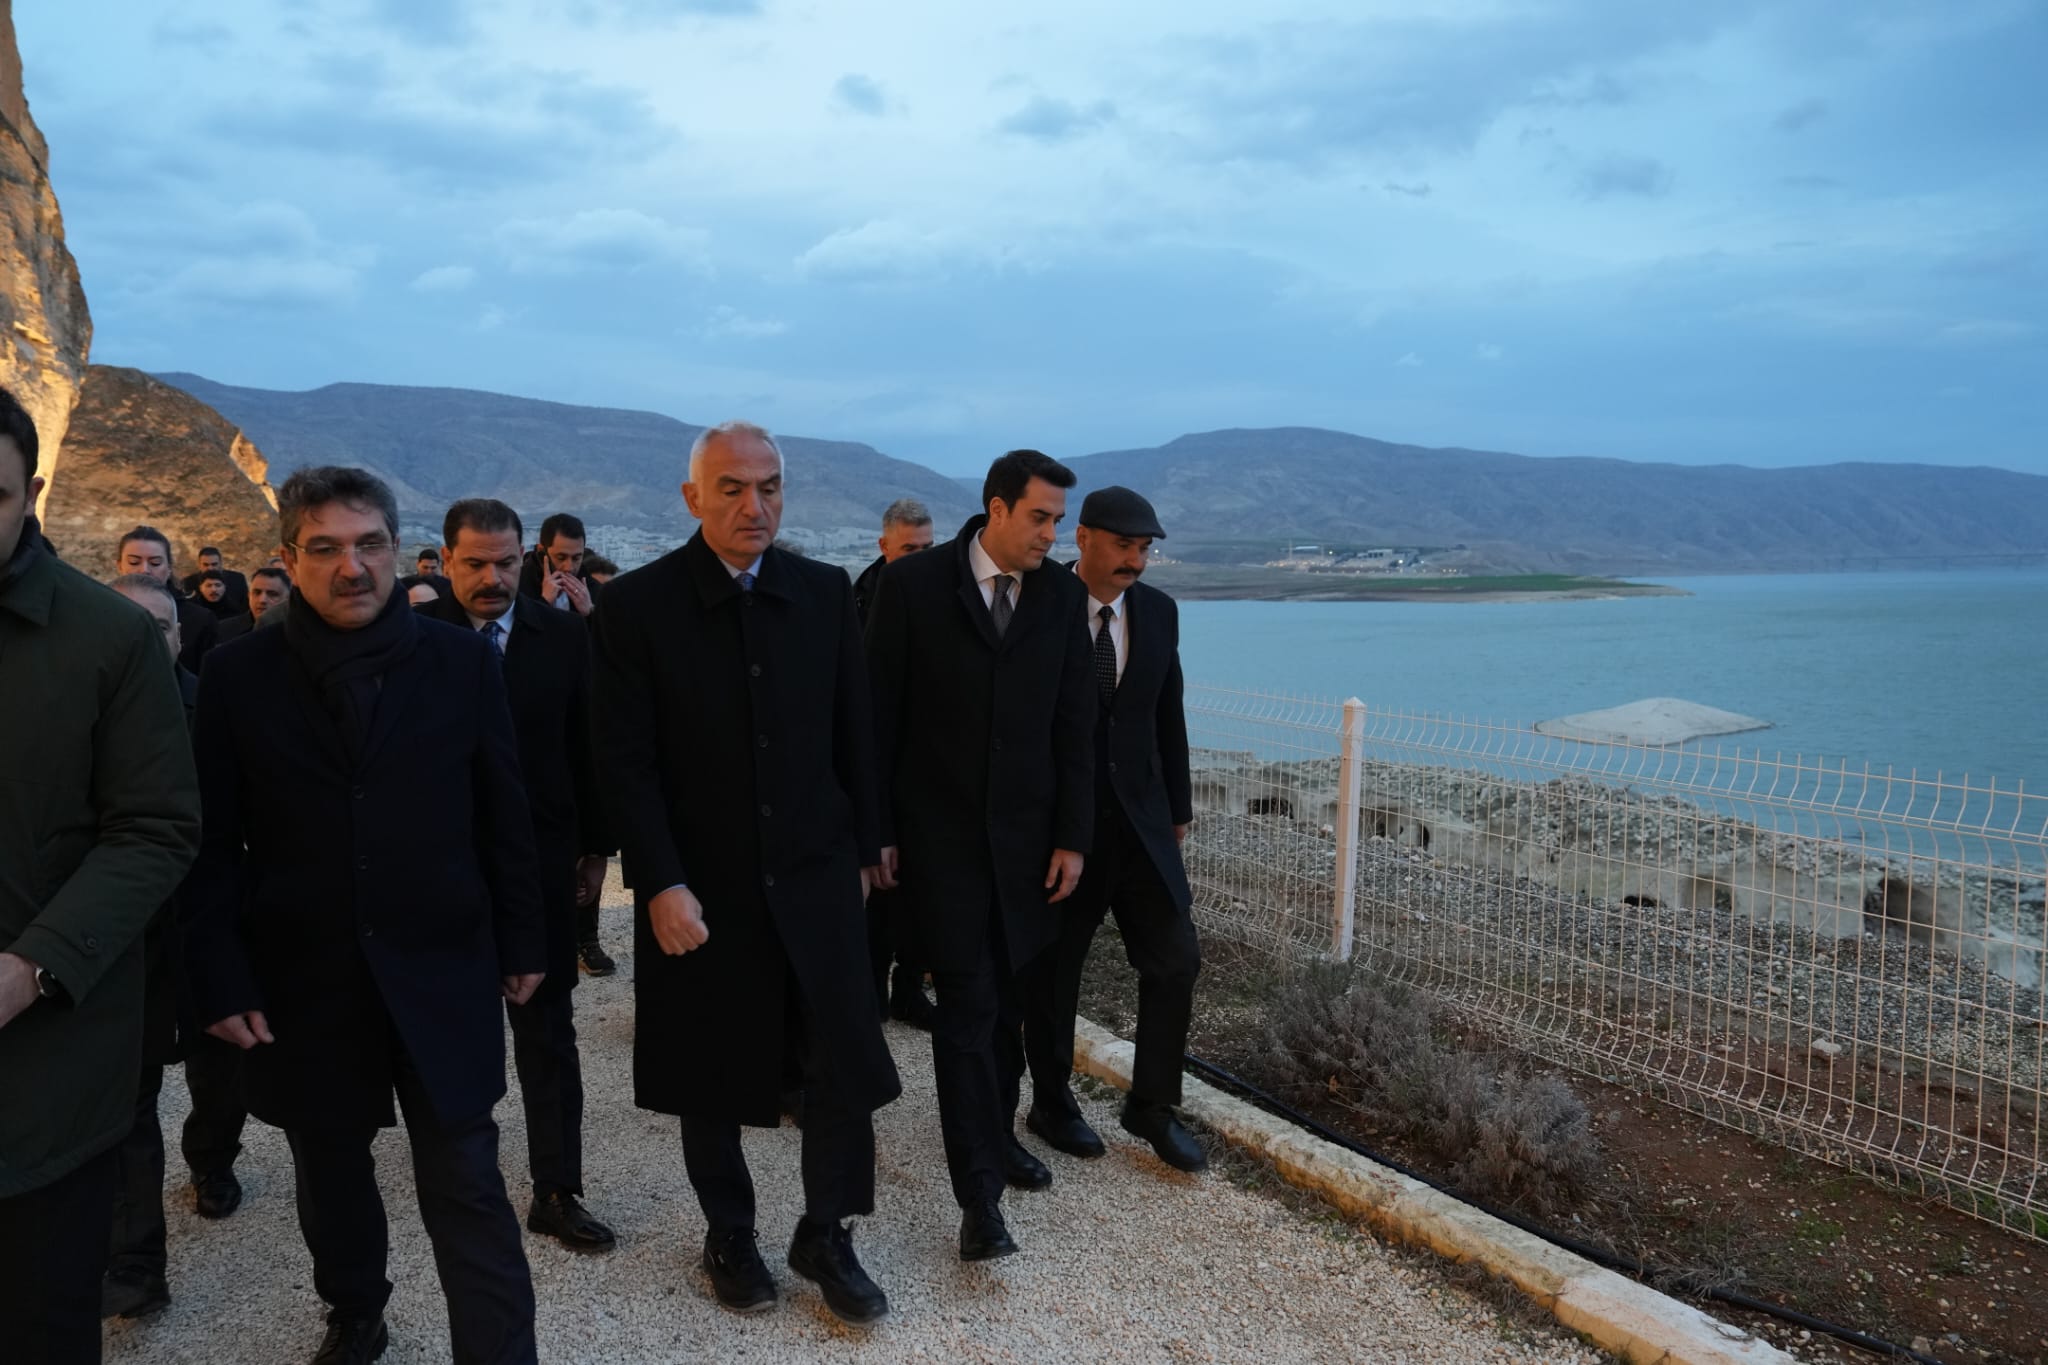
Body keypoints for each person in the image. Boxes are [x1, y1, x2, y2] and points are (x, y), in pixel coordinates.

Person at [182, 466, 548, 1365]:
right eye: (326, 548)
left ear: (395, 545)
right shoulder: (237, 675)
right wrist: (219, 976)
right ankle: (355, 1311)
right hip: (302, 978)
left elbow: (504, 811)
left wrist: (524, 937)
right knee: (331, 1171)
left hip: (442, 965)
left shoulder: (460, 661)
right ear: (289, 557)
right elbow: (211, 842)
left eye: (370, 543)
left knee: (468, 1182)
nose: (353, 566)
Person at [593, 420, 899, 1324]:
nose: (753, 505)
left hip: (816, 869)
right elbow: (623, 762)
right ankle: (729, 1231)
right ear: (693, 497)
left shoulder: (824, 591)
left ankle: (827, 1231)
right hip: (702, 881)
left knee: (842, 1057)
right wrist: (659, 880)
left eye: (769, 487)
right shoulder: (636, 607)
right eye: (731, 488)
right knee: (710, 1063)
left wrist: (868, 847)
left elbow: (855, 729)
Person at [0, 386, 202, 1364]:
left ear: (32, 494)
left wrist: (31, 966)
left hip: (44, 1064)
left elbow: (157, 828)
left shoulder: (109, 640)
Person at [864, 448, 1095, 1261]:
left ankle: (996, 1137)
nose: (1050, 533)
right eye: (1039, 517)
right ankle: (980, 1200)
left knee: (1009, 1012)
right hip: (941, 846)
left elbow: (1076, 725)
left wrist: (1073, 836)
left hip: (1031, 852)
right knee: (966, 1010)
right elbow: (876, 717)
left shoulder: (1062, 596)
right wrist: (876, 829)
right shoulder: (912, 587)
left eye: (1058, 520)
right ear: (996, 508)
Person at [420, 498, 618, 1253]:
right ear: (446, 558)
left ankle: (557, 1189)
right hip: (443, 871)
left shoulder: (563, 637)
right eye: (475, 563)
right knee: (449, 1034)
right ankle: (459, 1179)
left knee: (548, 1034)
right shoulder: (415, 637)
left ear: (525, 557)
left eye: (506, 563)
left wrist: (597, 848)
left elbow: (587, 745)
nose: (492, 578)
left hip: (540, 865)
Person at [1020, 488, 1207, 1173]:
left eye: (1144, 548)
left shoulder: (1158, 611)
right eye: (1124, 545)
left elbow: (1166, 713)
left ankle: (1152, 1105)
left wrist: (1178, 808)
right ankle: (1051, 1101)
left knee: (1176, 959)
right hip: (1062, 830)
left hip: (1142, 825)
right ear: (1083, 538)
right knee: (1054, 972)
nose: (1136, 560)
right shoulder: (1037, 604)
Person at [100, 575, 252, 1322]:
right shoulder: (80, 713)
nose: (142, 637)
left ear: (179, 635)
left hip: (202, 926)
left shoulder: (215, 708)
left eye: (157, 625)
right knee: (128, 1095)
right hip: (123, 936)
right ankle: (136, 1262)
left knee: (217, 1071)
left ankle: (213, 1161)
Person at [850, 498, 938, 1029]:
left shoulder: (950, 600)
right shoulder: (854, 603)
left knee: (924, 893)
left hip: (931, 776)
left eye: (928, 548)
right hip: (878, 769)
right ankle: (871, 993)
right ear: (884, 546)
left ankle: (909, 989)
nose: (921, 558)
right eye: (910, 549)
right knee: (880, 891)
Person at [117, 526, 218, 674]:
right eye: (134, 562)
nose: (144, 570)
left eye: (155, 563)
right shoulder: (102, 614)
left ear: (169, 568)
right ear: (119, 565)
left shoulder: (200, 620)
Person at [518, 513, 596, 617]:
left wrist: (590, 613)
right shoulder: (517, 587)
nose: (569, 567)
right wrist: (544, 603)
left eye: (576, 558)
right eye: (561, 558)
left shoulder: (594, 589)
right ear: (542, 551)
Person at [218, 564, 291, 643]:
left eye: (272, 594)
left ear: (288, 598)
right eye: (257, 593)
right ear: (249, 595)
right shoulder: (224, 630)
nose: (262, 600)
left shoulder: (296, 631)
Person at [181, 545, 249, 614]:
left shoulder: (237, 579)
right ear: (199, 564)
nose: (210, 568)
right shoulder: (189, 582)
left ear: (220, 563)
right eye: (206, 565)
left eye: (214, 564)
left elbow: (245, 606)